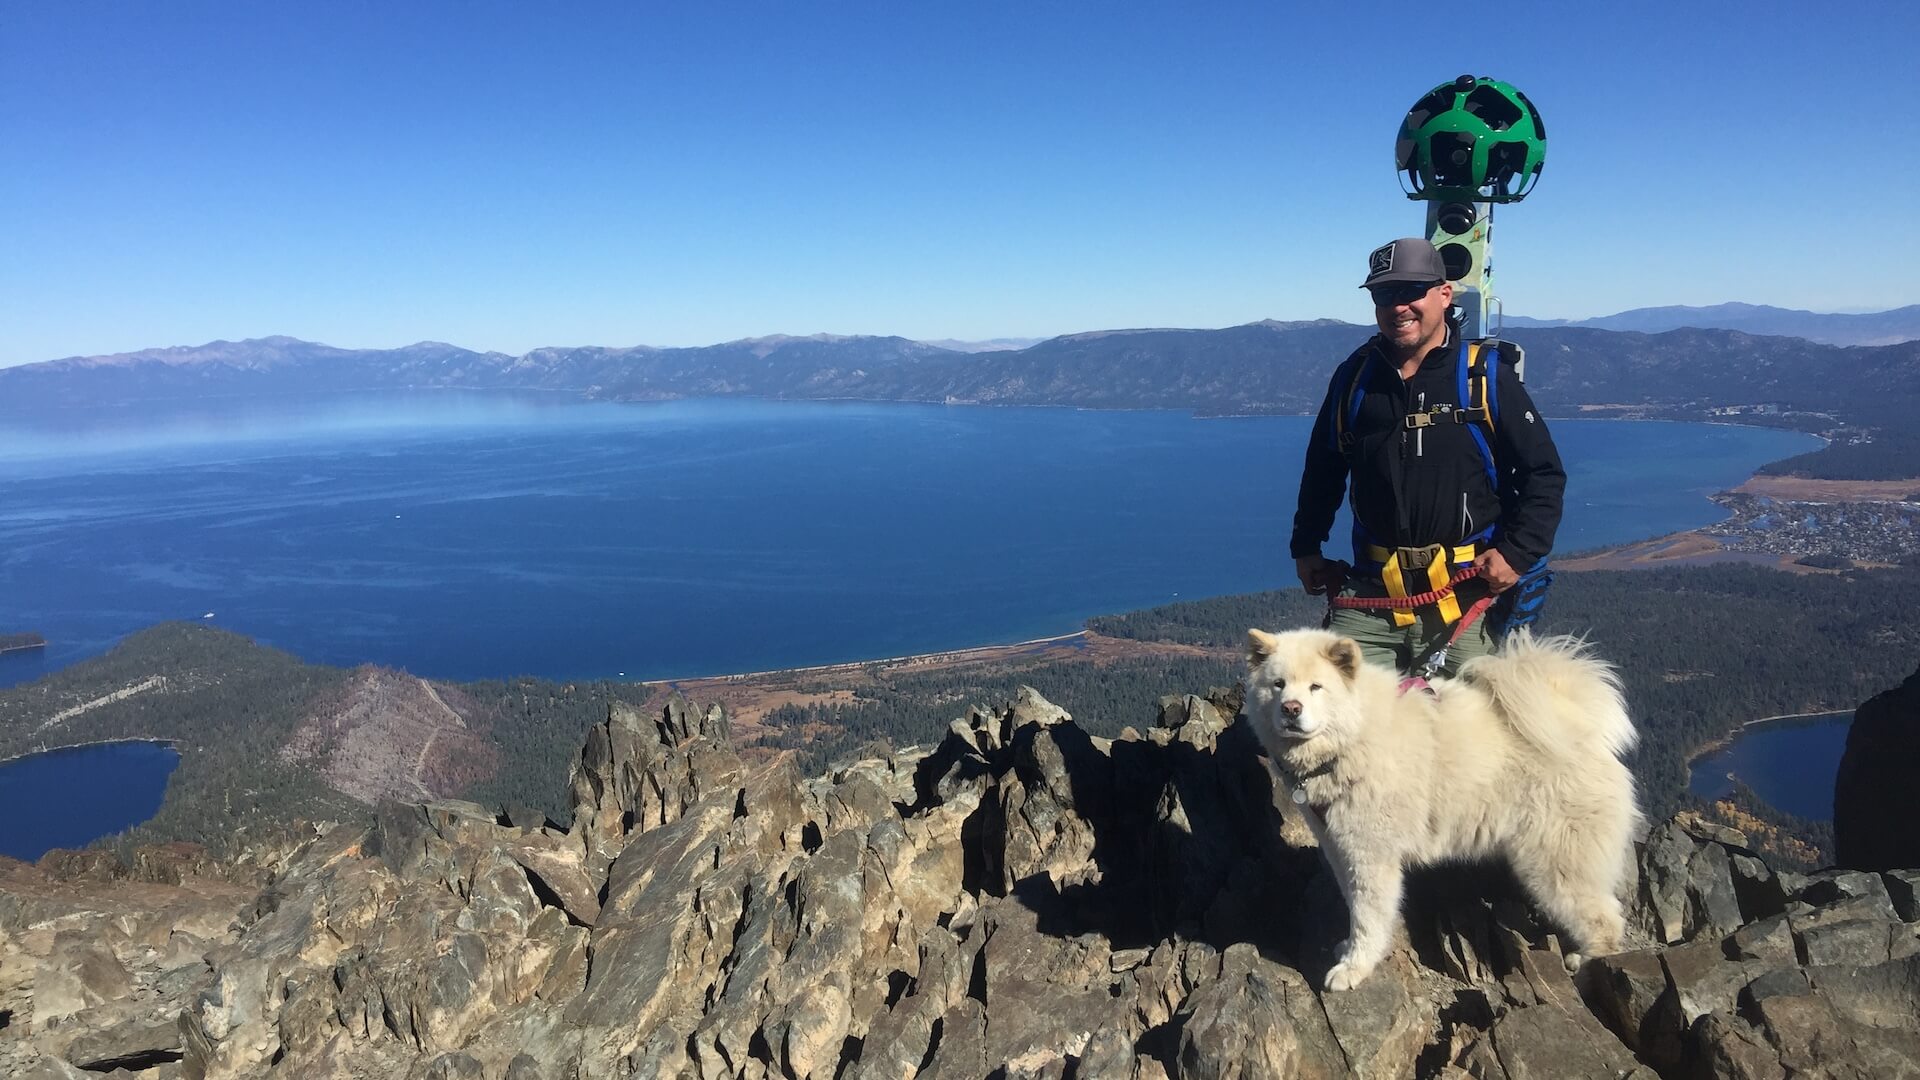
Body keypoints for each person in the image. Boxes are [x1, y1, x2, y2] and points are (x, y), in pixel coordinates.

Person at [1290, 237, 1565, 674]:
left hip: (1467, 591)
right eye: (1385, 295)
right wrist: (1306, 545)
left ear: (1443, 294)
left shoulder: (1484, 377)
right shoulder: (1355, 379)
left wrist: (1517, 553)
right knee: (1341, 717)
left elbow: (1544, 474)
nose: (1398, 306)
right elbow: (1323, 468)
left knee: (1473, 725)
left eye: (1410, 291)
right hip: (1374, 591)